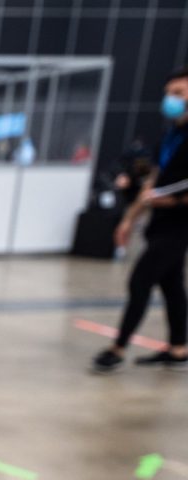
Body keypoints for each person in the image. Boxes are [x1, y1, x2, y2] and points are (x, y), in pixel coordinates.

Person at [94, 66, 188, 373]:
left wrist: (171, 199)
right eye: (169, 93)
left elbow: (170, 191)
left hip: (179, 227)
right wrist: (128, 220)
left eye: (178, 93)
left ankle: (117, 348)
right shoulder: (170, 137)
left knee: (140, 281)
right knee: (172, 285)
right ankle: (178, 349)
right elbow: (153, 183)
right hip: (160, 223)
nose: (171, 99)